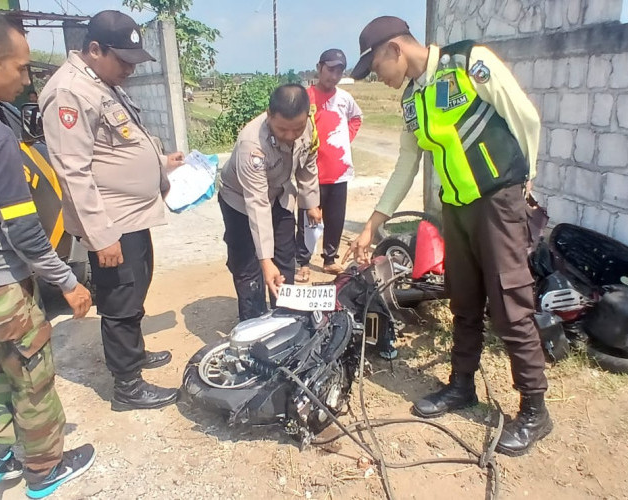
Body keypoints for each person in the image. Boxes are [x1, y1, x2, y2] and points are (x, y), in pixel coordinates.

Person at [348, 16, 551, 457]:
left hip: (498, 200)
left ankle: (535, 410)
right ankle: (461, 386)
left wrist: (525, 179)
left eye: (377, 67)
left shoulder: (468, 62)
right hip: (456, 208)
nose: (378, 79)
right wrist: (372, 223)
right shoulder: (411, 100)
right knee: (462, 299)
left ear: (395, 51)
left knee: (509, 305)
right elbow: (406, 165)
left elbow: (525, 117)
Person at [0, 12, 95, 498]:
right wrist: (67, 280)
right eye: (20, 69)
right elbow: (24, 230)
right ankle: (44, 470)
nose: (25, 81)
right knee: (34, 376)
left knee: (6, 363)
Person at [39, 10, 184, 412]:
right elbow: (73, 170)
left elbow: (119, 142)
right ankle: (128, 387)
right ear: (94, 49)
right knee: (120, 300)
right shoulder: (69, 92)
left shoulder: (99, 83)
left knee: (135, 288)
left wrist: (159, 163)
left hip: (132, 218)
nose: (129, 69)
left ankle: (132, 356)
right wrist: (101, 237)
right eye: (122, 60)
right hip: (111, 222)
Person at [219, 83, 321, 321]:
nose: (290, 136)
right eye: (282, 129)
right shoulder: (251, 145)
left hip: (281, 193)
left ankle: (285, 317)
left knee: (285, 256)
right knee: (249, 266)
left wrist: (311, 203)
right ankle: (253, 323)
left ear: (306, 116)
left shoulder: (308, 127)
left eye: (296, 128)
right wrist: (265, 260)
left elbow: (308, 166)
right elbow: (257, 204)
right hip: (240, 202)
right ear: (269, 115)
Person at [294, 49, 362, 283]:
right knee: (308, 220)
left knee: (335, 218)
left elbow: (356, 118)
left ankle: (329, 259)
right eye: (330, 69)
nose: (334, 75)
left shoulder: (344, 98)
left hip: (339, 172)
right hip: (312, 173)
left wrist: (343, 141)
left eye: (339, 71)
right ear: (319, 67)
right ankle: (302, 262)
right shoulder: (305, 97)